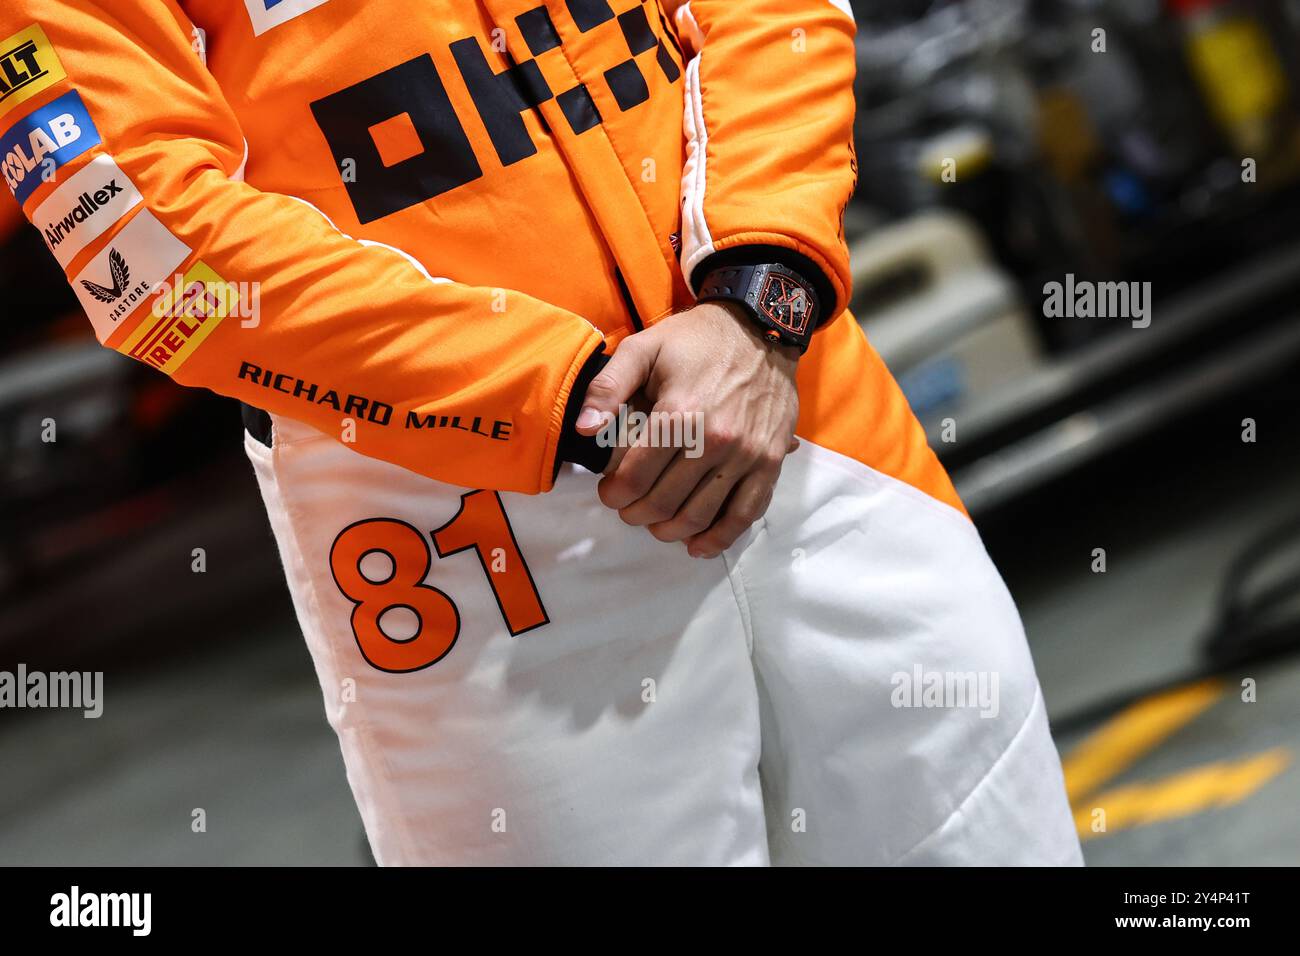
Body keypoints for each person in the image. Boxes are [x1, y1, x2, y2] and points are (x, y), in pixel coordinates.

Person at [0, 0, 1082, 865]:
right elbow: (146, 246)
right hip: (471, 553)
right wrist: (566, 401)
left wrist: (759, 294)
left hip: (803, 424)